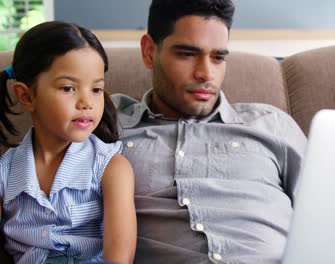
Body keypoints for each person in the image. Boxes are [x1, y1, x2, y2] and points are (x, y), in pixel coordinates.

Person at [111, 0, 307, 263]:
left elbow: (331, 216)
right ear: (149, 52)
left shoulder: (271, 125)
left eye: (218, 57)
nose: (206, 73)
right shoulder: (108, 125)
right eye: (187, 54)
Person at [0, 21, 136, 263]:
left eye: (96, 89)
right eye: (68, 88)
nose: (87, 102)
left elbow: (120, 258)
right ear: (26, 96)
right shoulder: (6, 172)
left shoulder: (111, 168)